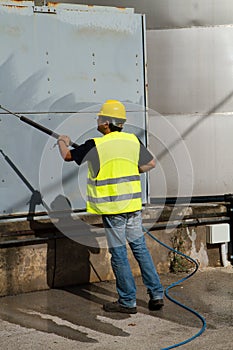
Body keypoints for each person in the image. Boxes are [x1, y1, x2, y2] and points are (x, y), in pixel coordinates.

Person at [57, 99, 164, 314]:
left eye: (99, 117)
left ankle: (127, 302)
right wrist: (132, 171)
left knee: (119, 254)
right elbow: (151, 163)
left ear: (106, 123)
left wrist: (63, 140)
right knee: (140, 249)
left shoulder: (95, 144)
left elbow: (68, 155)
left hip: (113, 210)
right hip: (133, 207)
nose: (97, 120)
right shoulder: (132, 140)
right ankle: (156, 294)